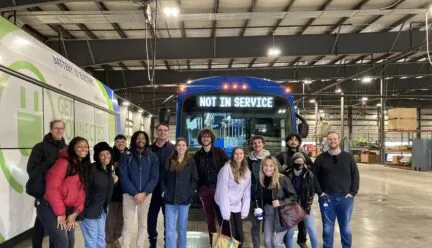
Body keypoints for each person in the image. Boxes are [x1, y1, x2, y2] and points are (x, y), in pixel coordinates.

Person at [38, 136, 89, 248]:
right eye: (79, 146)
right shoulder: (63, 163)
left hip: (67, 211)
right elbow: (52, 189)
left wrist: (75, 214)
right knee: (62, 243)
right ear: (72, 148)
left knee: (70, 243)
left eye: (86, 146)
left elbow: (82, 193)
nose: (83, 149)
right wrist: (60, 213)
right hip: (49, 208)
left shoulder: (82, 166)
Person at [313, 132, 360, 248]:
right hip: (326, 198)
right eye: (330, 139)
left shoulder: (348, 158)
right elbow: (314, 178)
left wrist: (353, 192)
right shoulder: (320, 159)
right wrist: (320, 193)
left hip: (345, 198)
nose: (332, 141)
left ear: (339, 140)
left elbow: (355, 175)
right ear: (327, 141)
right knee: (328, 227)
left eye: (334, 139)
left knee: (345, 227)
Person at [26, 120, 67, 248]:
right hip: (44, 193)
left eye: (61, 128)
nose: (59, 130)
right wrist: (49, 162)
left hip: (59, 194)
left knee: (45, 223)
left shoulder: (65, 148)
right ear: (50, 129)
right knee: (44, 226)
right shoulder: (40, 147)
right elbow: (31, 170)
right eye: (56, 128)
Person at [119, 131, 159, 248]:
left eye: (143, 138)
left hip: (146, 195)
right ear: (134, 140)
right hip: (129, 195)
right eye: (138, 138)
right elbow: (123, 176)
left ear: (146, 140)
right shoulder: (126, 156)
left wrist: (144, 193)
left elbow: (154, 177)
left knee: (143, 224)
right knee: (127, 225)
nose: (140, 140)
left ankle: (140, 246)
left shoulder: (152, 156)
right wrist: (135, 193)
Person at [161, 138, 198, 248]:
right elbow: (162, 179)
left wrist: (189, 193)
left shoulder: (191, 161)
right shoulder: (169, 161)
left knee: (182, 228)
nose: (181, 147)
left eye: (183, 145)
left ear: (186, 148)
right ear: (175, 147)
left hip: (184, 200)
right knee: (170, 228)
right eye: (179, 145)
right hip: (170, 199)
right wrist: (164, 192)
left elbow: (194, 179)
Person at [276, 133, 312, 248]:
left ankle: (302, 241)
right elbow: (273, 170)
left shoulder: (304, 156)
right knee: (287, 218)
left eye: (296, 140)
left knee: (302, 217)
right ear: (287, 142)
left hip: (302, 192)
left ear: (299, 142)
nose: (293, 142)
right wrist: (282, 168)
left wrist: (305, 167)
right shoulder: (282, 156)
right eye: (291, 140)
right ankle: (287, 241)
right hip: (287, 193)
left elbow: (312, 170)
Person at [193, 128, 228, 245]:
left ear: (211, 138)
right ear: (200, 139)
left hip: (219, 190)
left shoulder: (220, 152)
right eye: (203, 136)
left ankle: (224, 243)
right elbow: (195, 173)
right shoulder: (197, 155)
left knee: (222, 217)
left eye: (208, 136)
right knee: (210, 219)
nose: (205, 138)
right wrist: (198, 189)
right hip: (204, 190)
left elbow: (227, 170)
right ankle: (213, 243)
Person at [81, 142, 118, 248]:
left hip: (102, 210)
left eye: (107, 153)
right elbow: (84, 190)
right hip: (89, 211)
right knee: (91, 241)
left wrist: (115, 181)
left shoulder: (109, 169)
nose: (106, 156)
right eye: (102, 154)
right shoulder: (92, 169)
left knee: (101, 239)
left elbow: (106, 188)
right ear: (97, 156)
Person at [257, 155, 297, 248]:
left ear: (275, 167)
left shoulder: (283, 179)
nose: (268, 168)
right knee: (267, 241)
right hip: (268, 213)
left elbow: (294, 196)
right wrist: (258, 207)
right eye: (265, 165)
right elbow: (259, 197)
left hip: (282, 214)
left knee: (277, 243)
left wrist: (281, 202)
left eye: (271, 166)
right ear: (262, 167)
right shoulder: (261, 180)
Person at [215, 147, 251, 248]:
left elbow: (246, 192)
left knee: (240, 234)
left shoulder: (247, 171)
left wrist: (245, 210)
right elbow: (223, 191)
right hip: (224, 203)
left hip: (236, 205)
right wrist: (225, 211)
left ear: (244, 155)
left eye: (241, 153)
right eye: (236, 154)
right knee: (230, 234)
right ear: (232, 155)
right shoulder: (226, 169)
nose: (238, 156)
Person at [148, 123, 175, 248]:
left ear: (168, 132)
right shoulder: (149, 149)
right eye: (160, 130)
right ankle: (152, 240)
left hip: (168, 189)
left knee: (168, 217)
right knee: (151, 216)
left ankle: (166, 242)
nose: (162, 132)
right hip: (152, 189)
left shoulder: (173, 149)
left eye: (165, 130)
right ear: (156, 132)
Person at [284, 153, 319, 248]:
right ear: (293, 162)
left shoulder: (309, 174)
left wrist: (307, 208)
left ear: (304, 162)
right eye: (296, 161)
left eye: (301, 161)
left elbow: (312, 192)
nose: (299, 163)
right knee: (290, 233)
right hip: (291, 208)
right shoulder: (287, 174)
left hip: (304, 206)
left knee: (312, 230)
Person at [246, 135, 271, 248]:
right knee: (256, 224)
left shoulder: (270, 158)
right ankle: (256, 245)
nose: (257, 145)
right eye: (254, 143)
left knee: (268, 224)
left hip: (269, 197)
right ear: (252, 145)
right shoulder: (248, 160)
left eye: (259, 143)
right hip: (254, 198)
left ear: (263, 144)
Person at [106, 134, 128, 248]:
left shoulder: (130, 155)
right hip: (114, 191)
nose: (121, 144)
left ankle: (115, 238)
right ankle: (108, 240)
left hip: (126, 191)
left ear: (126, 143)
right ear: (115, 143)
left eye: (123, 142)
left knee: (121, 217)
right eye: (118, 141)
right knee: (111, 216)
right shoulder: (110, 155)